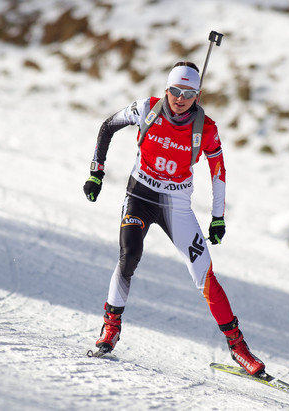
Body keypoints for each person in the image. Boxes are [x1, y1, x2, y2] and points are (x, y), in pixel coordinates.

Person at [83, 61, 265, 375]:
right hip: (139, 196)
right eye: (175, 91)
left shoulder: (206, 129)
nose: (180, 98)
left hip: (176, 205)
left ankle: (239, 348)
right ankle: (110, 328)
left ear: (198, 94)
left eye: (189, 93)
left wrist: (218, 217)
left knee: (204, 276)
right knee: (129, 256)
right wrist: (96, 172)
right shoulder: (146, 109)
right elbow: (107, 126)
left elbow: (218, 172)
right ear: (166, 89)